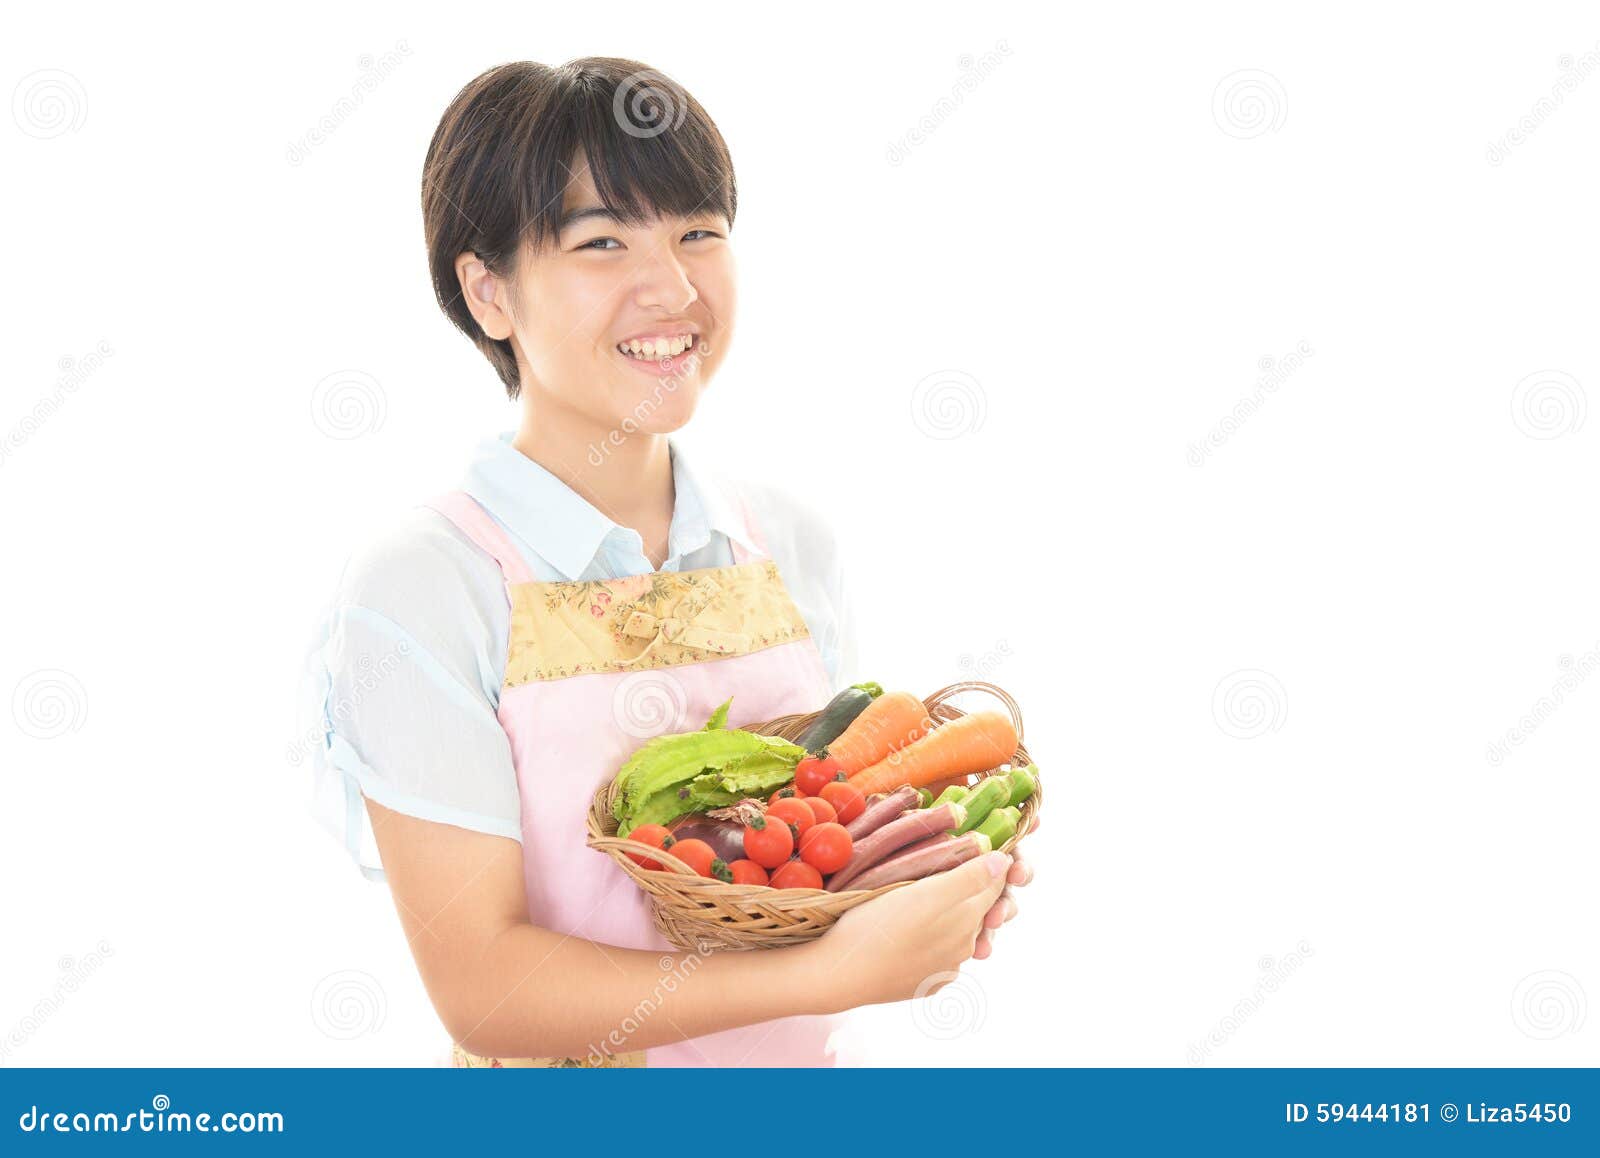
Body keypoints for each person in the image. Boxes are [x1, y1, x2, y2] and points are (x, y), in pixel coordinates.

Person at [302, 57, 1035, 1067]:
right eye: (603, 241)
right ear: (488, 293)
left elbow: (798, 869)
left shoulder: (784, 539)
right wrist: (837, 973)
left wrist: (916, 889)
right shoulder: (430, 582)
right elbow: (483, 989)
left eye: (698, 232)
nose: (675, 287)